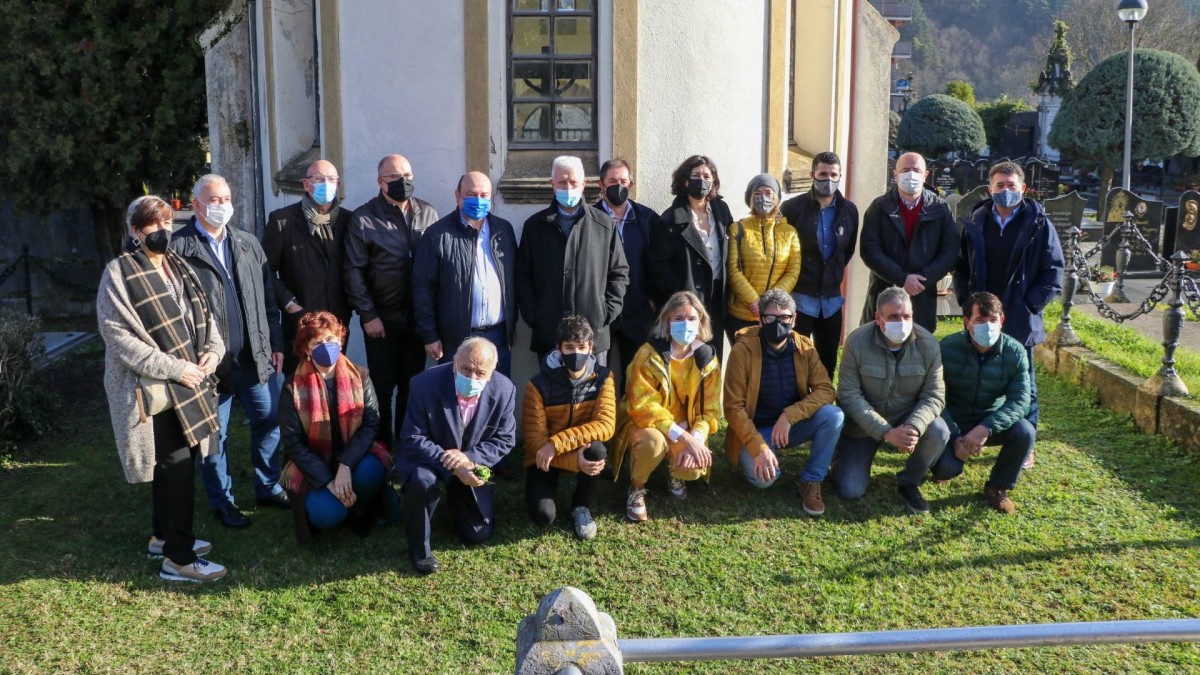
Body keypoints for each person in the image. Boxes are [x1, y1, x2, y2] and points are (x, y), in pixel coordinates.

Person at [98, 195, 227, 582]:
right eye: (153, 225)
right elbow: (118, 336)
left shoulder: (179, 267)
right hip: (150, 385)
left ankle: (162, 536)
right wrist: (176, 368)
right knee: (176, 465)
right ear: (135, 232)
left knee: (173, 462)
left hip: (189, 380)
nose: (162, 231)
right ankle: (179, 558)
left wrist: (213, 354)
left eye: (168, 222)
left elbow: (206, 318)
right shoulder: (118, 274)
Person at [171, 174, 286, 529]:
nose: (222, 206)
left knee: (270, 422)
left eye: (226, 198)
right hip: (208, 366)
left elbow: (269, 302)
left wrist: (276, 344)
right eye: (214, 200)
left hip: (255, 357)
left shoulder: (249, 243)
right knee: (212, 436)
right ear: (196, 204)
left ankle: (267, 486)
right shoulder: (179, 249)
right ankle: (222, 501)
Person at [955, 161, 1063, 466]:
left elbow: (1053, 270)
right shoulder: (976, 221)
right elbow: (961, 266)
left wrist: (1030, 304)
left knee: (1023, 382)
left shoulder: (1039, 224)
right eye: (999, 186)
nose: (1005, 191)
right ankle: (964, 433)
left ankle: (1024, 444)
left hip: (1018, 315)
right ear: (990, 189)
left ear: (1023, 189)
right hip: (981, 315)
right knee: (972, 375)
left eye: (1011, 186)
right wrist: (966, 300)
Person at [396, 338, 516, 574]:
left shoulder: (505, 390)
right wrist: (451, 462)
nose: (472, 378)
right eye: (466, 369)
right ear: (454, 364)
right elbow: (412, 437)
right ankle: (420, 549)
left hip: (470, 462)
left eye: (480, 372)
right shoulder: (423, 384)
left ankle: (455, 497)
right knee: (422, 482)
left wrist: (469, 459)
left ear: (491, 373)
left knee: (478, 534)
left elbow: (505, 438)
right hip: (429, 459)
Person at [344, 153, 439, 448]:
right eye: (395, 178)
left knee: (413, 387)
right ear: (380, 182)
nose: (403, 182)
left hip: (418, 320)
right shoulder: (364, 218)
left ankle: (408, 446)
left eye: (408, 176)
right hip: (381, 322)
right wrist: (368, 314)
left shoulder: (427, 213)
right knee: (382, 388)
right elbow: (353, 270)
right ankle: (382, 448)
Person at [722, 290, 843, 516]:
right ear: (760, 319)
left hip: (791, 426)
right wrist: (758, 447)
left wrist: (790, 415)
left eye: (784, 318)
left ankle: (811, 480)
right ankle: (767, 453)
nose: (777, 323)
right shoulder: (742, 350)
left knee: (834, 416)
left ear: (794, 319)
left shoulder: (804, 347)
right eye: (770, 318)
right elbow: (732, 407)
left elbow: (826, 390)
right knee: (763, 481)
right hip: (757, 429)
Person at [834, 286, 949, 514]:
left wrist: (914, 427)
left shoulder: (928, 344)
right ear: (878, 318)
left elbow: (934, 395)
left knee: (939, 431)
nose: (902, 322)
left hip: (906, 419)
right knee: (850, 489)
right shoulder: (856, 342)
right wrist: (886, 431)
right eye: (894, 317)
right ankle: (840, 457)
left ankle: (909, 481)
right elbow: (848, 394)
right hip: (862, 426)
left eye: (907, 316)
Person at [278, 311, 392, 536]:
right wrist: (328, 481)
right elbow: (293, 442)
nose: (325, 346)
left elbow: (371, 423)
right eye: (317, 342)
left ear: (340, 340)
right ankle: (340, 504)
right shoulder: (292, 387)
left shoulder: (360, 376)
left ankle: (358, 508)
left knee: (371, 470)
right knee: (328, 514)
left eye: (330, 339)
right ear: (307, 351)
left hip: (352, 457)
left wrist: (345, 466)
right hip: (314, 463)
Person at [610, 291, 721, 522]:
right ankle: (637, 488)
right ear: (667, 322)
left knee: (693, 468)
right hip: (646, 425)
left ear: (701, 321)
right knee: (653, 442)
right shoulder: (647, 354)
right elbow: (643, 407)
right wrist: (686, 438)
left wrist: (697, 439)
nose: (686, 324)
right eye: (678, 318)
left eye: (692, 318)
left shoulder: (708, 360)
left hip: (683, 427)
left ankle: (675, 470)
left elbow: (709, 410)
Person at [515, 155, 629, 365]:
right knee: (552, 397)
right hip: (550, 335)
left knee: (595, 396)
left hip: (593, 336)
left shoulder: (604, 225)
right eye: (562, 182)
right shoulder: (535, 227)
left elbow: (619, 274)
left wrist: (605, 313)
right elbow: (523, 276)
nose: (568, 187)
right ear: (552, 184)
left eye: (574, 182)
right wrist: (535, 316)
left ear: (584, 184)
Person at [932, 292, 1034, 513]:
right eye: (980, 321)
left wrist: (986, 428)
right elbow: (934, 395)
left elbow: (1020, 401)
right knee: (946, 469)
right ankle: (945, 462)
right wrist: (956, 436)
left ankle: (998, 487)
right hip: (954, 421)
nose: (987, 327)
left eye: (993, 320)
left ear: (1002, 321)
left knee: (1025, 431)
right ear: (967, 322)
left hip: (989, 420)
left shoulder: (1015, 352)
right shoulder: (946, 349)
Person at [413, 171, 518, 377]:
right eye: (471, 194)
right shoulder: (437, 235)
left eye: (484, 195)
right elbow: (422, 289)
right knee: (458, 401)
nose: (478, 200)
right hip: (456, 339)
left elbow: (515, 278)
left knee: (497, 399)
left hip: (498, 336)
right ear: (457, 196)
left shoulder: (504, 231)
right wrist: (430, 335)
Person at [523, 316, 615, 539]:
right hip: (544, 457)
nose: (576, 353)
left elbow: (606, 424)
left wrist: (557, 444)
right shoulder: (538, 384)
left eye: (582, 347)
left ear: (591, 347)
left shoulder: (604, 378)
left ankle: (581, 505)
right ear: (559, 348)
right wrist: (572, 460)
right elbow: (536, 441)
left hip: (571, 448)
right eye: (569, 347)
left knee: (597, 451)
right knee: (543, 516)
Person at [263, 159, 353, 377]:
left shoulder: (349, 220)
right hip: (301, 322)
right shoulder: (282, 221)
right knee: (300, 384)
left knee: (334, 381)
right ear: (305, 184)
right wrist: (288, 302)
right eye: (318, 179)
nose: (326, 184)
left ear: (338, 185)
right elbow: (264, 269)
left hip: (337, 321)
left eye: (331, 179)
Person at [779, 151, 860, 380]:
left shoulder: (849, 210)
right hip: (801, 298)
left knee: (827, 361)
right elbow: (784, 250)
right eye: (823, 173)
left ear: (840, 175)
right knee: (797, 360)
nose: (828, 179)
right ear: (812, 174)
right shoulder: (792, 208)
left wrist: (833, 274)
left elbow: (848, 250)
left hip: (832, 301)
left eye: (833, 174)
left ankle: (823, 406)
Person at [858, 151, 959, 333]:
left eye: (916, 170)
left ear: (926, 175)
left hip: (922, 294)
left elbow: (950, 250)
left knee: (917, 350)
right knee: (878, 348)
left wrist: (921, 279)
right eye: (905, 170)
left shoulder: (940, 209)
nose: (911, 174)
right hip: (884, 290)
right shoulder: (879, 207)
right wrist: (902, 279)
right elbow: (870, 250)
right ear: (895, 175)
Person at [648, 155, 734, 356]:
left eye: (707, 175)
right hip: (688, 304)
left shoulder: (721, 210)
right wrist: (682, 295)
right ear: (685, 181)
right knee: (688, 357)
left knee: (713, 357)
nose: (702, 180)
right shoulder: (669, 220)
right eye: (696, 175)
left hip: (716, 298)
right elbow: (659, 267)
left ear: (713, 180)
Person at [594, 158, 657, 391]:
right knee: (599, 379)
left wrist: (652, 299)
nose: (618, 186)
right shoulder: (589, 218)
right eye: (612, 181)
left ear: (631, 184)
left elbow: (656, 262)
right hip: (601, 313)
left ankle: (630, 427)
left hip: (638, 312)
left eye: (623, 181)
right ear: (601, 184)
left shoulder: (647, 219)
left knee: (635, 378)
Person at [725, 173, 801, 342]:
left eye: (768, 192)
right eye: (757, 193)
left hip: (775, 315)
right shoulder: (738, 229)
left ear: (777, 198)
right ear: (750, 199)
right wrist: (754, 301)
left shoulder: (789, 232)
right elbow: (732, 268)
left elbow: (793, 270)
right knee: (744, 364)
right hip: (741, 315)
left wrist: (769, 302)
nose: (763, 198)